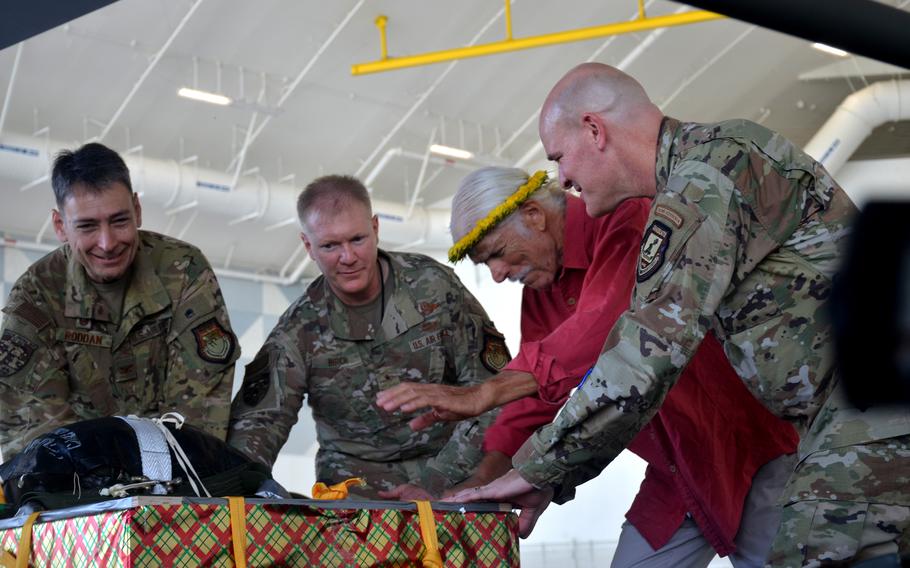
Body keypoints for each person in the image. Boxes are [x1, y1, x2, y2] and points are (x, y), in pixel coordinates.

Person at [451, 63, 910, 566]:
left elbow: (648, 350)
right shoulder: (696, 174)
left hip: (862, 422)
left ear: (594, 130)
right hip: (836, 421)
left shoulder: (704, 179)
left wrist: (540, 469)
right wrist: (543, 472)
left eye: (560, 157)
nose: (563, 179)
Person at [378, 166, 799, 565]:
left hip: (751, 449)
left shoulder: (627, 219)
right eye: (488, 266)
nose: (500, 274)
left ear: (533, 215)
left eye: (498, 254)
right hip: (678, 469)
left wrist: (483, 393)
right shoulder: (543, 292)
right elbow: (534, 403)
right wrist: (478, 489)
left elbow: (606, 331)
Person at [226, 175, 507, 500]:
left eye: (357, 239)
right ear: (308, 246)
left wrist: (440, 480)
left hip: (456, 478)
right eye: (330, 246)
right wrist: (244, 490)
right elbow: (259, 422)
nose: (348, 257)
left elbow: (492, 388)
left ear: (375, 228)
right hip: (356, 493)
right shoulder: (298, 329)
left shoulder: (433, 287)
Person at [0, 142, 239, 459]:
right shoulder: (37, 294)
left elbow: (199, 409)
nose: (107, 243)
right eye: (87, 226)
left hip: (174, 476)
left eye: (119, 221)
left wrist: (160, 480)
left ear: (137, 210)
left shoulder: (183, 272)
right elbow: (34, 431)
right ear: (60, 226)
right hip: (77, 481)